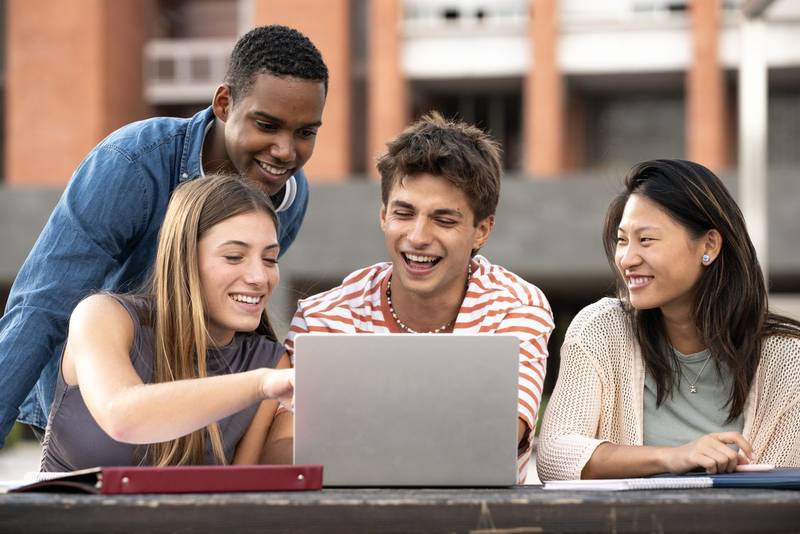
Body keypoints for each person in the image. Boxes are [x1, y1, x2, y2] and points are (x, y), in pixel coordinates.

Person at [0, 25, 328, 445]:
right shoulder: (131, 164)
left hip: (190, 416)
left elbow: (230, 314)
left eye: (306, 132)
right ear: (225, 104)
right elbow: (41, 306)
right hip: (98, 406)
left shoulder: (289, 195)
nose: (285, 151)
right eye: (267, 125)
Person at [285, 112, 555, 483]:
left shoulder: (515, 306)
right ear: (383, 215)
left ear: (482, 230)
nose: (418, 236)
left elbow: (499, 437)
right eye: (404, 213)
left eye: (444, 220)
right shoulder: (324, 316)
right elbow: (286, 452)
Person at [537, 159, 800, 481]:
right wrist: (674, 457)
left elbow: (778, 489)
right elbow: (554, 456)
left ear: (709, 245)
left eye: (646, 240)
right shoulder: (601, 329)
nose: (628, 259)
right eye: (622, 241)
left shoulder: (787, 358)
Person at [40, 173, 294, 470]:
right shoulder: (103, 316)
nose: (259, 277)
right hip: (67, 514)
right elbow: (123, 417)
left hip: (188, 517)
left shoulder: (268, 361)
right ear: (184, 256)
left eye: (270, 259)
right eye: (234, 256)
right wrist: (260, 383)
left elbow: (240, 491)